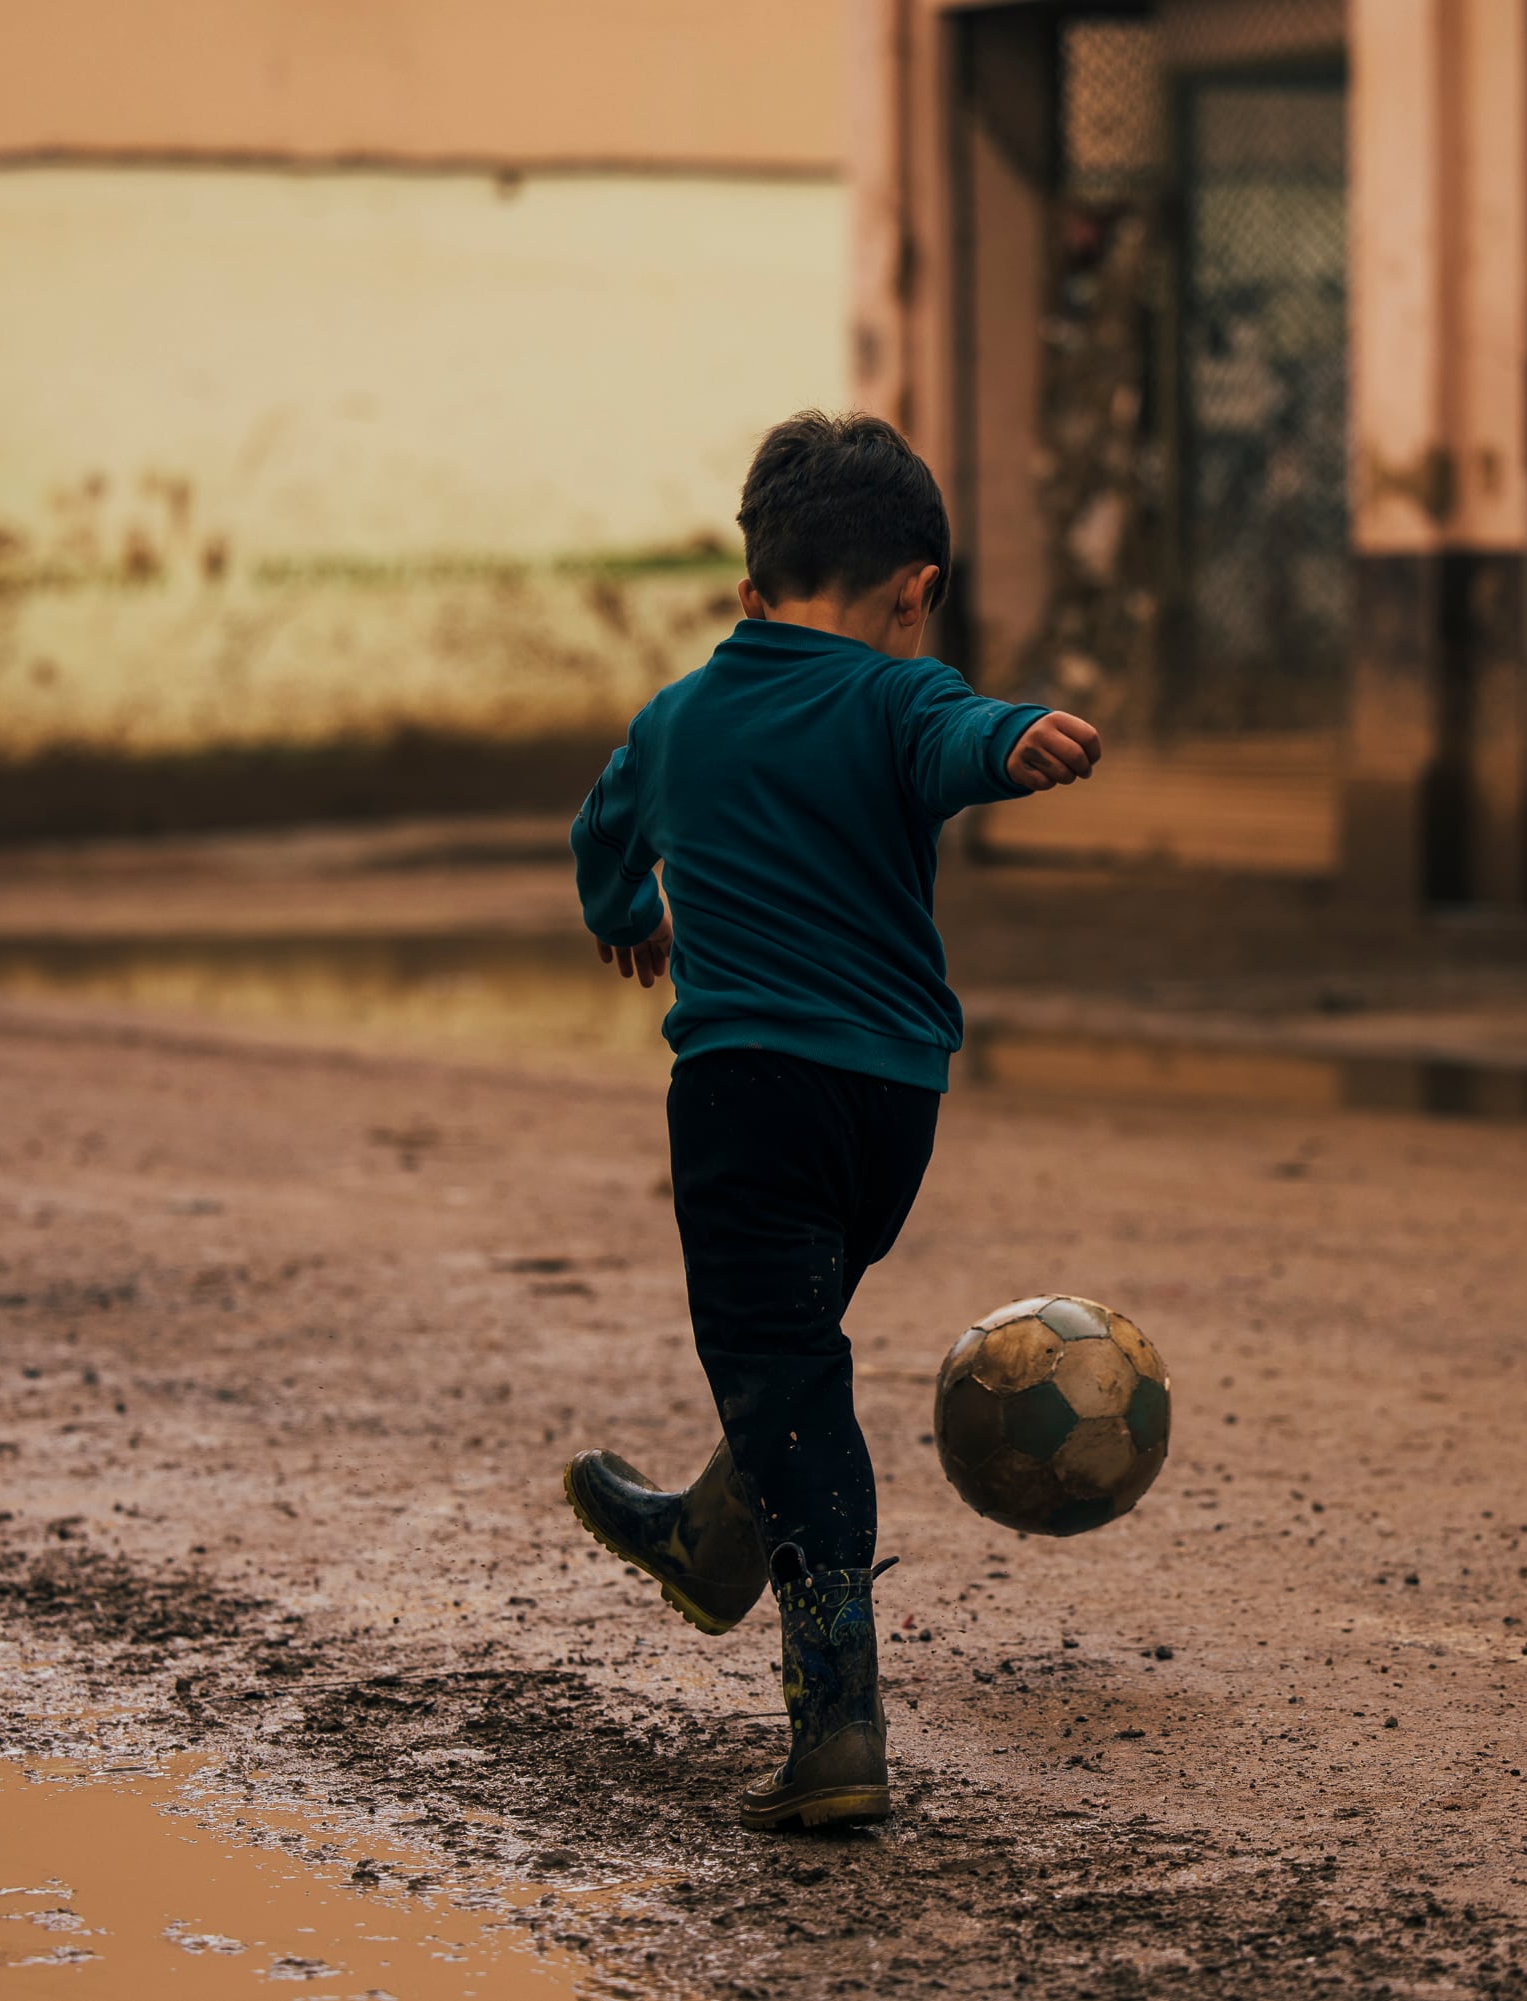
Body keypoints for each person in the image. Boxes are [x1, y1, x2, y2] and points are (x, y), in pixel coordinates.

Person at [562, 411, 1102, 1831]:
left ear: (749, 592)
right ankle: (704, 1537)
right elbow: (961, 729)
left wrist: (630, 918)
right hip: (891, 1110)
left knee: (790, 1379)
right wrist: (1019, 738)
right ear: (916, 588)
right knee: (791, 1367)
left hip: (745, 1097)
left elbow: (602, 832)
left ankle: (838, 1728)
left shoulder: (676, 718)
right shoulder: (897, 699)